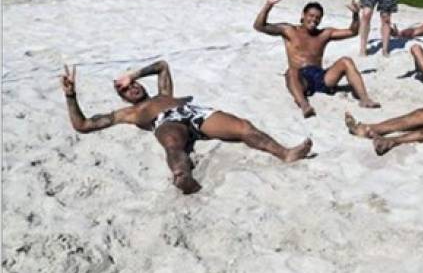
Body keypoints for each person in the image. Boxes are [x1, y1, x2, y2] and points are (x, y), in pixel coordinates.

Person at [60, 61, 312, 195]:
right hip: (165, 122)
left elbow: (162, 65)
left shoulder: (164, 92)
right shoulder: (128, 113)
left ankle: (285, 153)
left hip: (195, 113)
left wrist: (132, 73)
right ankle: (183, 176)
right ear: (124, 98)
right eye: (125, 90)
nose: (132, 88)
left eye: (132, 84)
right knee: (172, 143)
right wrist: (71, 96)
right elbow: (82, 125)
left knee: (244, 126)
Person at [253, 0, 380, 118]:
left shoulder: (324, 34)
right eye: (311, 16)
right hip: (301, 79)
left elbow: (352, 32)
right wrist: (268, 5)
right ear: (303, 15)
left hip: (322, 77)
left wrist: (355, 15)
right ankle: (304, 105)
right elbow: (259, 26)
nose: (314, 20)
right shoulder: (289, 30)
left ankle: (364, 99)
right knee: (291, 72)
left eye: (318, 18)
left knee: (346, 61)